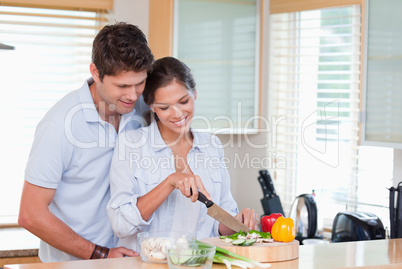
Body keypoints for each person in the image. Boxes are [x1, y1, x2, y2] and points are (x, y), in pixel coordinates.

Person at [18, 22, 154, 262]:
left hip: (132, 258)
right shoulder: (59, 125)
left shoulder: (143, 108)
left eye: (139, 83)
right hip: (75, 263)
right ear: (95, 72)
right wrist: (100, 254)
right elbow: (31, 214)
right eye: (122, 86)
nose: (132, 95)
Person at [107, 57, 257, 251]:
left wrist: (237, 222)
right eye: (164, 107)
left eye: (183, 101)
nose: (177, 114)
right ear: (151, 105)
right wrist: (171, 181)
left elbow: (218, 225)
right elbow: (121, 225)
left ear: (194, 93)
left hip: (198, 262)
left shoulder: (212, 146)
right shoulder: (131, 144)